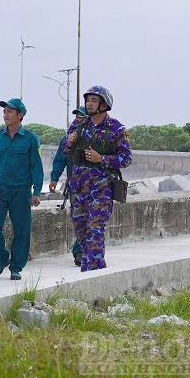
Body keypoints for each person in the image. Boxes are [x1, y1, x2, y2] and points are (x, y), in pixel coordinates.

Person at [63, 86, 132, 272]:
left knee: (95, 230)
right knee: (81, 231)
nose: (89, 104)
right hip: (79, 187)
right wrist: (68, 143)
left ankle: (89, 274)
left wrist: (101, 159)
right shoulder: (78, 125)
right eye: (88, 100)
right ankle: (98, 266)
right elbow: (64, 150)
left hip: (101, 189)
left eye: (94, 100)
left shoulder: (116, 128)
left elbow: (126, 158)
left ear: (104, 104)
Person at [0, 98, 44, 281]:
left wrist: (37, 192)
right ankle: (2, 258)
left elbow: (36, 166)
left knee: (22, 230)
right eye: (5, 112)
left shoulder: (31, 139)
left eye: (10, 112)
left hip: (21, 191)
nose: (6, 115)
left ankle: (16, 266)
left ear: (20, 115)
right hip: (0, 190)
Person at [49, 106, 87, 266]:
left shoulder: (97, 137)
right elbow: (59, 160)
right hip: (75, 186)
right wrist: (54, 179)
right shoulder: (67, 140)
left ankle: (84, 251)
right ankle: (79, 251)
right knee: (79, 220)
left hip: (96, 187)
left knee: (93, 220)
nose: (78, 120)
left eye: (82, 117)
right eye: (77, 117)